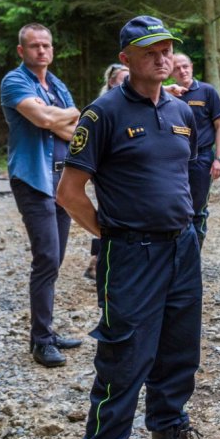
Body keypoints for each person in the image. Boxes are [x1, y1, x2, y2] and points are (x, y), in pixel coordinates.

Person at [56, 15, 202, 439]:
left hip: (183, 250)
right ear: (126, 60)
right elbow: (69, 193)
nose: (162, 58)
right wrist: (112, 231)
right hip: (131, 256)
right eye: (149, 52)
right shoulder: (102, 114)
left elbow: (184, 174)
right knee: (123, 363)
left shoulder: (182, 112)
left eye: (166, 50)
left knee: (179, 357)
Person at [0, 23, 82, 368]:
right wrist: (53, 118)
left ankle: (45, 330)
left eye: (46, 45)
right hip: (33, 180)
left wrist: (53, 119)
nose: (41, 51)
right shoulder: (14, 82)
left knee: (56, 258)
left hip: (61, 182)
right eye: (34, 46)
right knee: (46, 258)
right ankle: (41, 340)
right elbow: (48, 117)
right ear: (22, 51)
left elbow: (74, 126)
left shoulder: (58, 85)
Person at [171, 52, 220, 248]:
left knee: (197, 210)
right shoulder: (165, 95)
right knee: (172, 208)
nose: (182, 71)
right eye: (177, 68)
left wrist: (219, 158)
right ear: (170, 71)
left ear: (192, 67)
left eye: (185, 66)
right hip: (172, 161)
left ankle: (193, 257)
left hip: (201, 158)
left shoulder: (207, 91)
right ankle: (176, 255)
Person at [83, 63, 129, 281]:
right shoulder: (102, 108)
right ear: (112, 81)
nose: (129, 81)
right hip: (107, 174)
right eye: (123, 78)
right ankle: (99, 264)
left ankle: (96, 262)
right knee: (110, 217)